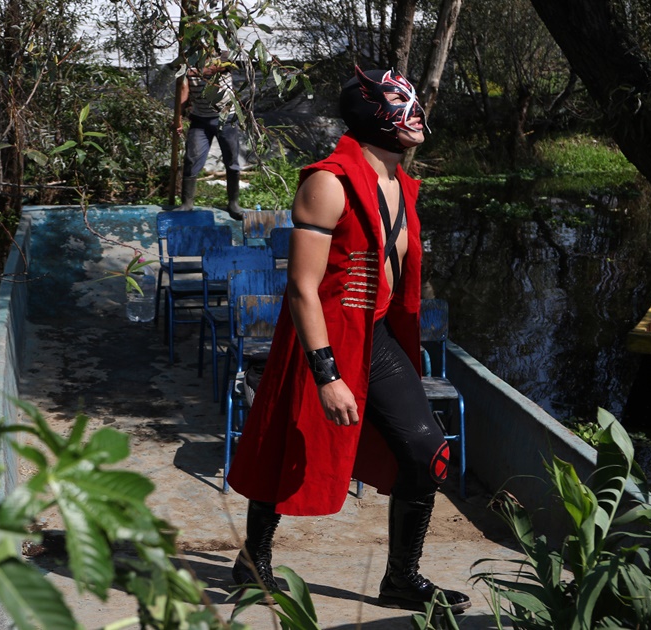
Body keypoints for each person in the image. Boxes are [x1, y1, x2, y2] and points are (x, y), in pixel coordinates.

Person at [225, 66, 471, 614]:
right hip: (324, 338)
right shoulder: (327, 182)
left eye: (414, 105)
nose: (415, 116)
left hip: (375, 334)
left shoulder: (399, 183)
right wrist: (327, 374)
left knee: (426, 451)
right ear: (372, 116)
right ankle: (253, 561)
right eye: (399, 106)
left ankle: (402, 578)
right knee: (289, 445)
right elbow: (301, 287)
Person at [172, 49, 244, 220]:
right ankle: (187, 204)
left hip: (226, 118)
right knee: (192, 158)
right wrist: (178, 118)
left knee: (232, 160)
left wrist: (192, 69)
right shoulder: (187, 59)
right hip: (200, 119)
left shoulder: (222, 57)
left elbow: (218, 68)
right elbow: (184, 90)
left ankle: (233, 203)